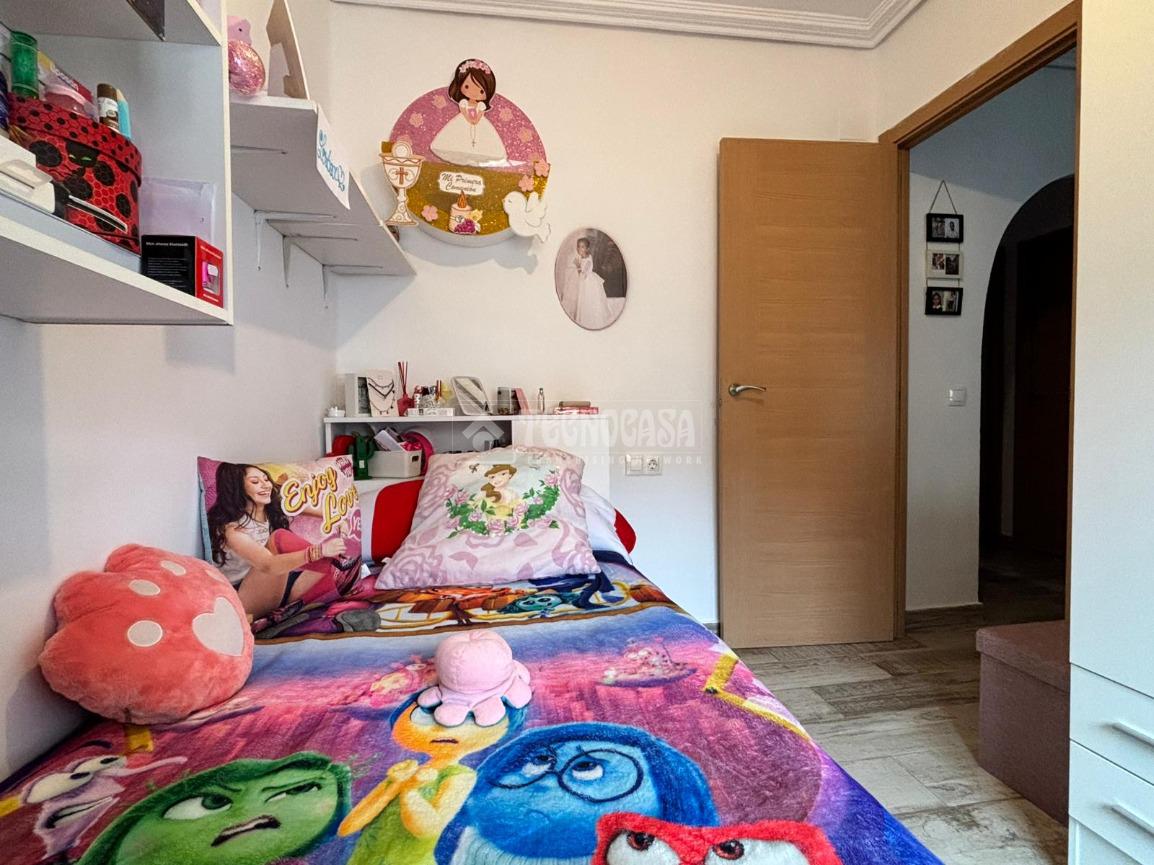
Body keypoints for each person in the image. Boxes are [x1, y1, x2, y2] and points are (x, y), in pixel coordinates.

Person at [207, 463, 350, 617]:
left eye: (266, 479)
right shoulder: (232, 530)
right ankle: (338, 566)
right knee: (279, 537)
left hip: (281, 586)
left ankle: (337, 572)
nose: (265, 485)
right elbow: (268, 565)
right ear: (237, 489)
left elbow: (304, 507)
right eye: (255, 482)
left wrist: (337, 519)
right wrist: (319, 552)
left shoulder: (272, 508)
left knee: (331, 578)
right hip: (245, 598)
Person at [429, 59, 508, 168]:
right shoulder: (464, 103)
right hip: (464, 120)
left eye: (481, 91)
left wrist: (476, 120)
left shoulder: (481, 105)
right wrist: (469, 118)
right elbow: (464, 112)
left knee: (483, 140)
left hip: (478, 122)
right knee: (458, 137)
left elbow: (480, 114)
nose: (473, 93)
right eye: (467, 86)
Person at [558, 237, 614, 330]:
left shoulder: (588, 260)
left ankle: (590, 319)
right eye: (578, 246)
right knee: (581, 298)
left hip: (588, 283)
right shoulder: (581, 257)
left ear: (587, 248)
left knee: (588, 299)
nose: (579, 249)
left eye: (582, 247)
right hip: (583, 283)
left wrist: (578, 266)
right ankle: (582, 319)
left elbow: (583, 275)